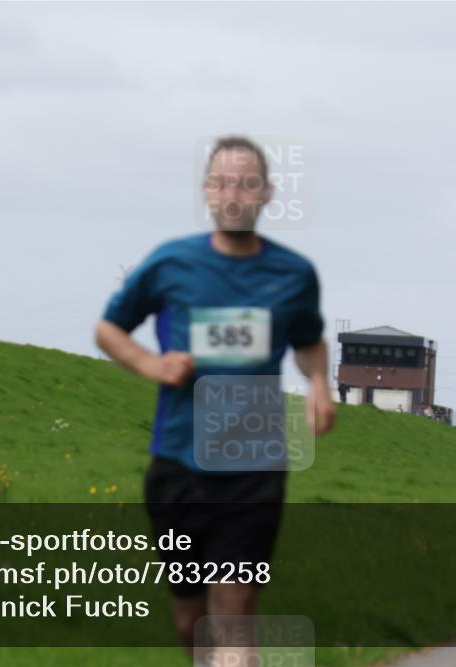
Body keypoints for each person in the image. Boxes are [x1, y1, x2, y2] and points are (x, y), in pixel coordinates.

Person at [94, 136, 336, 662]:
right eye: (223, 183)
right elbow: (109, 329)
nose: (233, 195)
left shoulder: (294, 275)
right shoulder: (171, 263)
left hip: (255, 466)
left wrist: (319, 383)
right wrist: (152, 365)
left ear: (267, 193)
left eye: (246, 184)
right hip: (178, 463)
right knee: (191, 620)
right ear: (206, 190)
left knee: (233, 610)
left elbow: (309, 341)